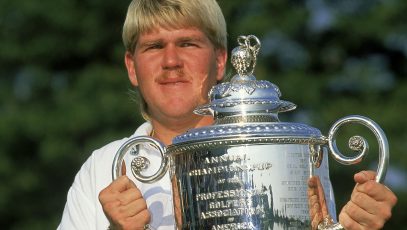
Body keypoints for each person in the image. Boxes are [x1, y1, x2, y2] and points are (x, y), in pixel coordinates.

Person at [58, 0, 397, 229]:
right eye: (154, 46)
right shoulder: (101, 171)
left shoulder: (291, 154)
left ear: (220, 60)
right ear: (132, 67)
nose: (171, 61)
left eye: (188, 43)